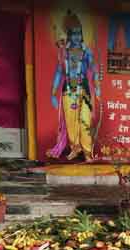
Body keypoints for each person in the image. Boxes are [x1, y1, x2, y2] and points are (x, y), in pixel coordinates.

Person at [47, 10, 100, 161]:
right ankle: (75, 148)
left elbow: (94, 69)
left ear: (81, 34)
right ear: (69, 34)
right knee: (71, 123)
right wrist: (53, 93)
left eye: (78, 33)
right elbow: (59, 72)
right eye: (73, 33)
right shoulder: (64, 53)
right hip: (68, 90)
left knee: (84, 121)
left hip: (84, 90)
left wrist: (97, 87)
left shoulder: (86, 51)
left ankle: (88, 152)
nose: (76, 36)